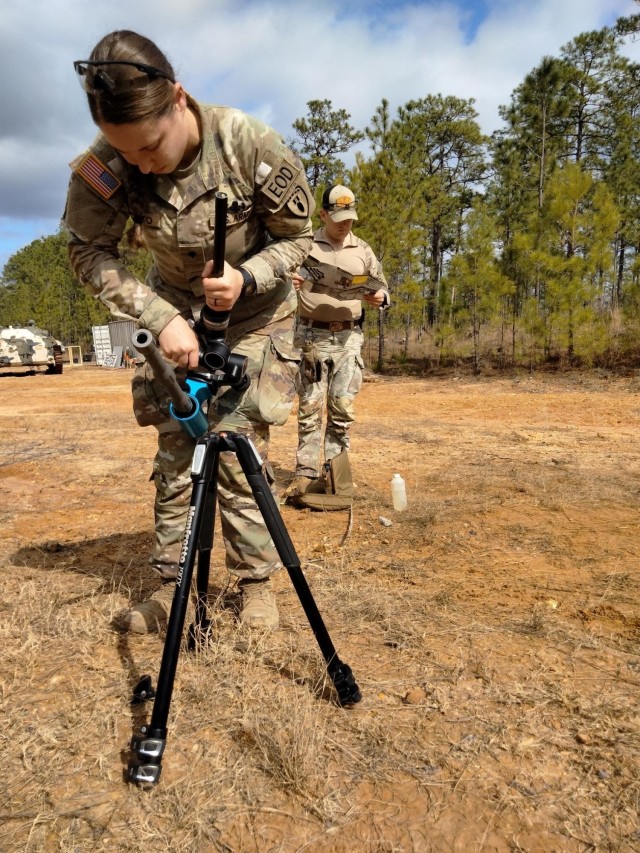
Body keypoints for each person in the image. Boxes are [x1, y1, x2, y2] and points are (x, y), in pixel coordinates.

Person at [63, 30, 314, 632]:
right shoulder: (104, 165)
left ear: (179, 99)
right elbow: (86, 251)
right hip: (174, 311)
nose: (143, 165)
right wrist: (159, 316)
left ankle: (256, 585)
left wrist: (247, 275)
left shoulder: (249, 144)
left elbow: (300, 237)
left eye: (151, 147)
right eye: (130, 155)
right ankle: (170, 588)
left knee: (236, 447)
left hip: (256, 313)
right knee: (178, 448)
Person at [285, 184, 389, 498]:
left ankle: (336, 473)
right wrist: (292, 281)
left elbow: (383, 289)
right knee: (311, 408)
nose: (346, 224)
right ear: (324, 214)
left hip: (349, 338)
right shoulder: (305, 246)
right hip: (311, 338)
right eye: (340, 217)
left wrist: (381, 297)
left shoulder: (363, 250)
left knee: (342, 408)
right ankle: (305, 475)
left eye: (351, 218)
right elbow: (281, 282)